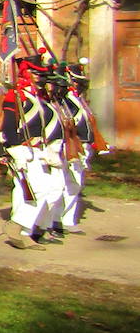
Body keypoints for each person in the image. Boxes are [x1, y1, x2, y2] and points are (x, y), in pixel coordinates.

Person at [0, 54, 67, 248]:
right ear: (26, 72)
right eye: (36, 73)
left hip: (36, 150)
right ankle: (17, 225)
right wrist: (14, 149)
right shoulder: (16, 96)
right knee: (36, 189)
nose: (40, 77)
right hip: (21, 149)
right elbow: (9, 126)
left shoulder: (35, 97)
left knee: (35, 191)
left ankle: (25, 232)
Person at [57, 60, 99, 235]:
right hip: (72, 146)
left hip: (82, 146)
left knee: (75, 183)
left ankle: (66, 219)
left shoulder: (78, 99)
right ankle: (59, 220)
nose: (80, 85)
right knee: (68, 183)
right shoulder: (66, 101)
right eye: (77, 82)